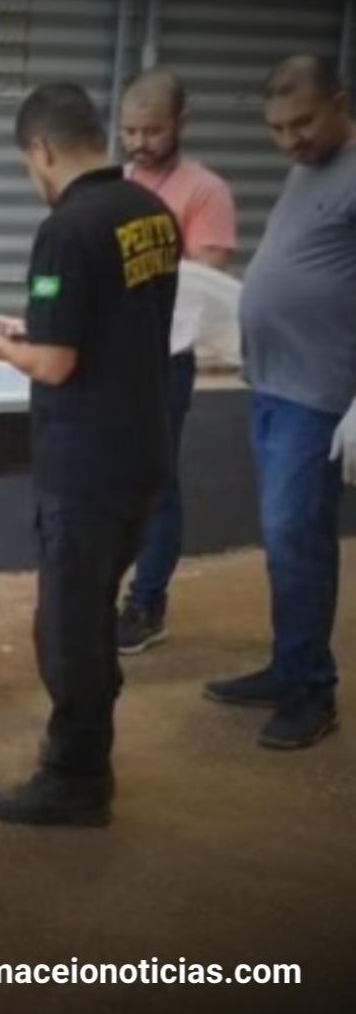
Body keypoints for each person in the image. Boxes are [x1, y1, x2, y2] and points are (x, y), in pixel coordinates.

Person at [0, 83, 179, 826]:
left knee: (67, 630)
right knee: (88, 616)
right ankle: (87, 756)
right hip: (143, 449)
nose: (34, 177)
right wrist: (36, 323)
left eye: (29, 164)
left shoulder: (66, 228)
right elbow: (113, 321)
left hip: (84, 463)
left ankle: (76, 780)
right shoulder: (150, 213)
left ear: (42, 150)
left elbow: (53, 366)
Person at [205, 54, 356, 749]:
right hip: (272, 384)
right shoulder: (308, 170)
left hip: (319, 394)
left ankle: (310, 692)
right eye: (277, 129)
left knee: (298, 540)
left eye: (303, 123)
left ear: (339, 102)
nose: (291, 139)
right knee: (282, 540)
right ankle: (287, 664)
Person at [116, 69, 238, 653]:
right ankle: (101, 592)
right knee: (109, 478)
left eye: (153, 130)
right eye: (130, 130)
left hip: (164, 361)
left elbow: (204, 281)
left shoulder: (204, 190)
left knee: (156, 482)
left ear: (181, 124)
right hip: (109, 355)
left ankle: (147, 602)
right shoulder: (111, 184)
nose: (140, 143)